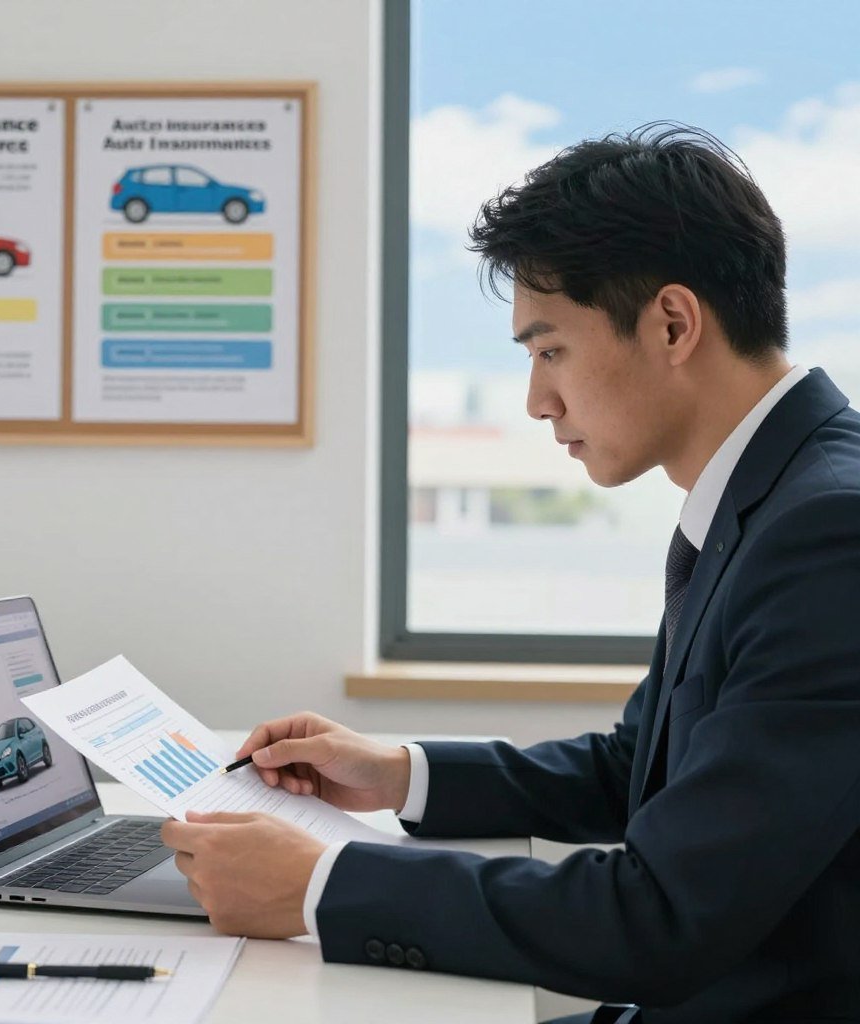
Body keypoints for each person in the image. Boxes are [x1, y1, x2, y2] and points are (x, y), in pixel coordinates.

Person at [160, 124, 860, 1023]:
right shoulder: (776, 497)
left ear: (674, 324)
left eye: (549, 350)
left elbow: (660, 917)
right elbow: (637, 768)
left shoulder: (828, 533)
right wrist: (398, 772)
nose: (536, 400)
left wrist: (322, 884)